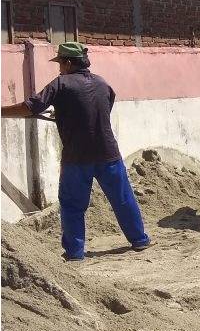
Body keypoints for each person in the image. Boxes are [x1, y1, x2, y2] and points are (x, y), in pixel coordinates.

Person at [1, 42, 151, 261]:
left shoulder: (61, 84)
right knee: (123, 198)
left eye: (60, 64)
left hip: (77, 158)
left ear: (69, 63)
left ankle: (75, 252)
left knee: (72, 205)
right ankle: (139, 240)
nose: (60, 69)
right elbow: (99, 110)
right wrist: (66, 113)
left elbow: (30, 107)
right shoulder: (103, 83)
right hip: (108, 154)